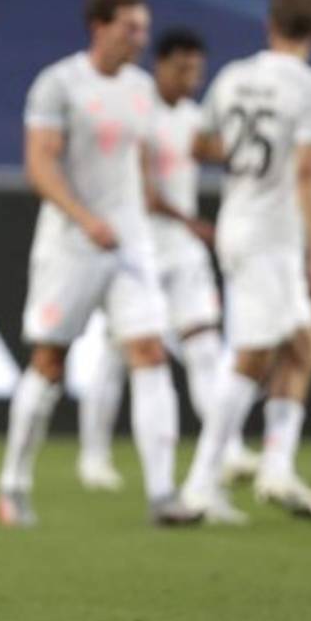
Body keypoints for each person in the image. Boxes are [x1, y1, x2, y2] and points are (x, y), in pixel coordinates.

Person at [0, 0, 199, 528]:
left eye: (143, 29)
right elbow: (40, 164)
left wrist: (150, 214)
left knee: (150, 351)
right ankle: (12, 484)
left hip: (129, 243)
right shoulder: (59, 84)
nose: (141, 38)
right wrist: (86, 219)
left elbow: (139, 160)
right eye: (131, 28)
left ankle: (163, 494)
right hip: (71, 243)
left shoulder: (141, 89)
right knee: (49, 363)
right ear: (100, 27)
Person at [179, 0, 311, 524]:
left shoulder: (233, 77)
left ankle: (276, 467)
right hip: (271, 236)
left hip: (240, 223)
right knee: (253, 357)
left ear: (269, 26)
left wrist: (243, 156)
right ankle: (201, 483)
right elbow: (308, 171)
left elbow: (198, 145)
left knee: (304, 349)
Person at [75, 28, 259, 491]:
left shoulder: (195, 119)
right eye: (182, 69)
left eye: (197, 70)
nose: (190, 78)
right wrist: (190, 221)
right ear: (161, 65)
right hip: (138, 248)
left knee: (203, 347)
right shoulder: (139, 113)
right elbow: (141, 189)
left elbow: (226, 153)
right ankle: (93, 456)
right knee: (118, 355)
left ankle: (230, 448)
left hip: (182, 251)